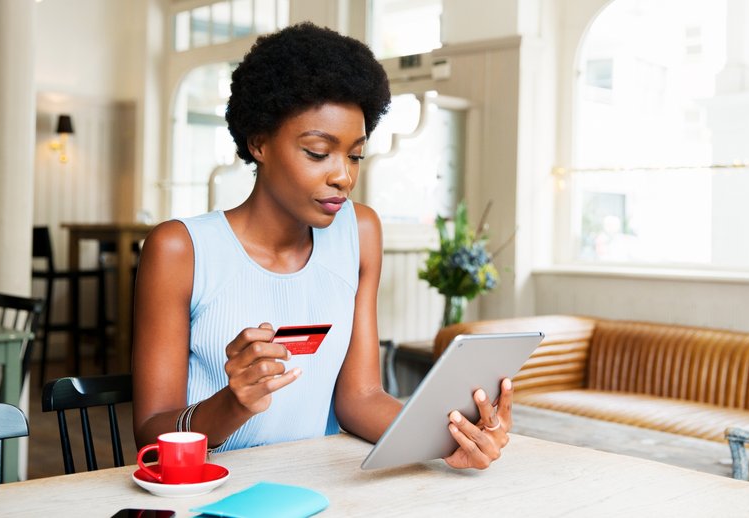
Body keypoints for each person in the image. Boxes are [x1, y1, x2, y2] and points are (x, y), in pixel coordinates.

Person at [132, 22, 513, 470]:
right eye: (317, 152)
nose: (343, 177)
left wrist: (453, 438)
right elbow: (151, 433)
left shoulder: (361, 232)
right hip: (214, 488)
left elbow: (361, 397)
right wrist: (233, 404)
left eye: (355, 155)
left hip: (323, 488)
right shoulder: (180, 249)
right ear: (259, 142)